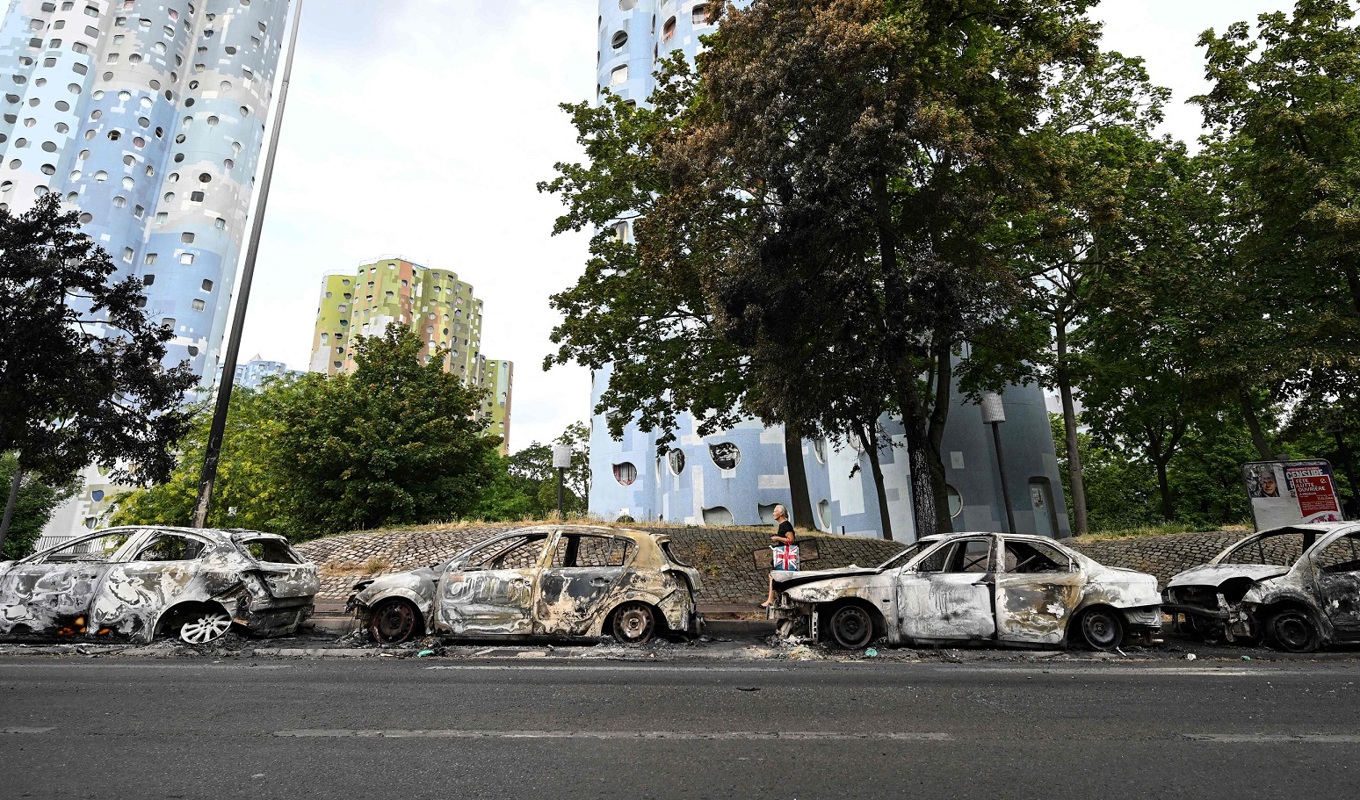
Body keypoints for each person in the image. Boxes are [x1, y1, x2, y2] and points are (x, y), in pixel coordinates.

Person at [761, 504, 797, 608]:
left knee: (773, 576)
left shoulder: (785, 525)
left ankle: (770, 600)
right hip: (783, 556)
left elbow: (791, 540)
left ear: (781, 513)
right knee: (772, 576)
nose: (773, 513)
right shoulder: (783, 525)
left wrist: (778, 538)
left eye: (775, 511)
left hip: (786, 557)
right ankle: (772, 600)